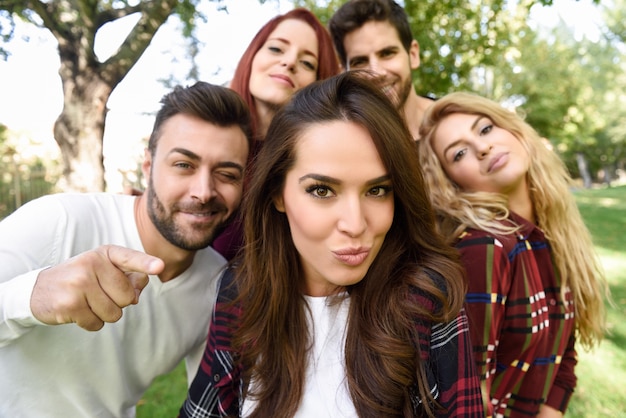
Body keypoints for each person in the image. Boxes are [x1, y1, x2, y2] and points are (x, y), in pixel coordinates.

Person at [179, 72, 483, 417]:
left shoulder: (427, 301)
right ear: (278, 192)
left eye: (377, 190)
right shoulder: (241, 291)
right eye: (322, 190)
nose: (355, 224)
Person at [0, 81, 252, 417]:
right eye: (183, 165)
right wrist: (31, 296)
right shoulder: (61, 220)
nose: (204, 191)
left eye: (226, 174)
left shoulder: (220, 284)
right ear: (148, 166)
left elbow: (209, 400)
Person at [416, 92, 609, 417]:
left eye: (486, 129)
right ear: (451, 184)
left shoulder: (552, 236)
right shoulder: (484, 250)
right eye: (459, 152)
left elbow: (562, 360)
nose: (482, 148)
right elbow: (471, 399)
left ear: (514, 131)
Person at [212, 8, 340, 260]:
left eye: (307, 63)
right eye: (276, 49)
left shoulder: (318, 167)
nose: (290, 62)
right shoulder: (206, 132)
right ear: (252, 56)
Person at [329, 0, 434, 140]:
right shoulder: (346, 146)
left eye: (387, 53)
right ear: (344, 73)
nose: (376, 73)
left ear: (413, 55)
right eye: (360, 62)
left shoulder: (461, 123)